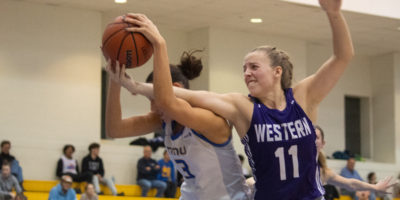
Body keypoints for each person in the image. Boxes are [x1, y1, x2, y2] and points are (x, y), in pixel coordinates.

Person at [118, 0, 353, 198]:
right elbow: (184, 95)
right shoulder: (243, 107)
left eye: (254, 66)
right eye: (244, 68)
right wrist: (135, 86)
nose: (247, 73)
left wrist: (334, 14)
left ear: (277, 71)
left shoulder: (304, 96)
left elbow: (343, 56)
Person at [105, 21, 250, 199]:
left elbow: (168, 102)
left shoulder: (209, 120)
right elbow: (115, 129)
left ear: (175, 88)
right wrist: (115, 77)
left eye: (152, 97)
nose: (151, 107)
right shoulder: (163, 120)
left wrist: (159, 44)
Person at [315, 126, 396, 199]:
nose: (313, 140)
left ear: (323, 143)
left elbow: (351, 183)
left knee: (366, 193)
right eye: (310, 137)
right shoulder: (303, 167)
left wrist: (375, 187)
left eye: (316, 137)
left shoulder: (324, 172)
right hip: (347, 192)